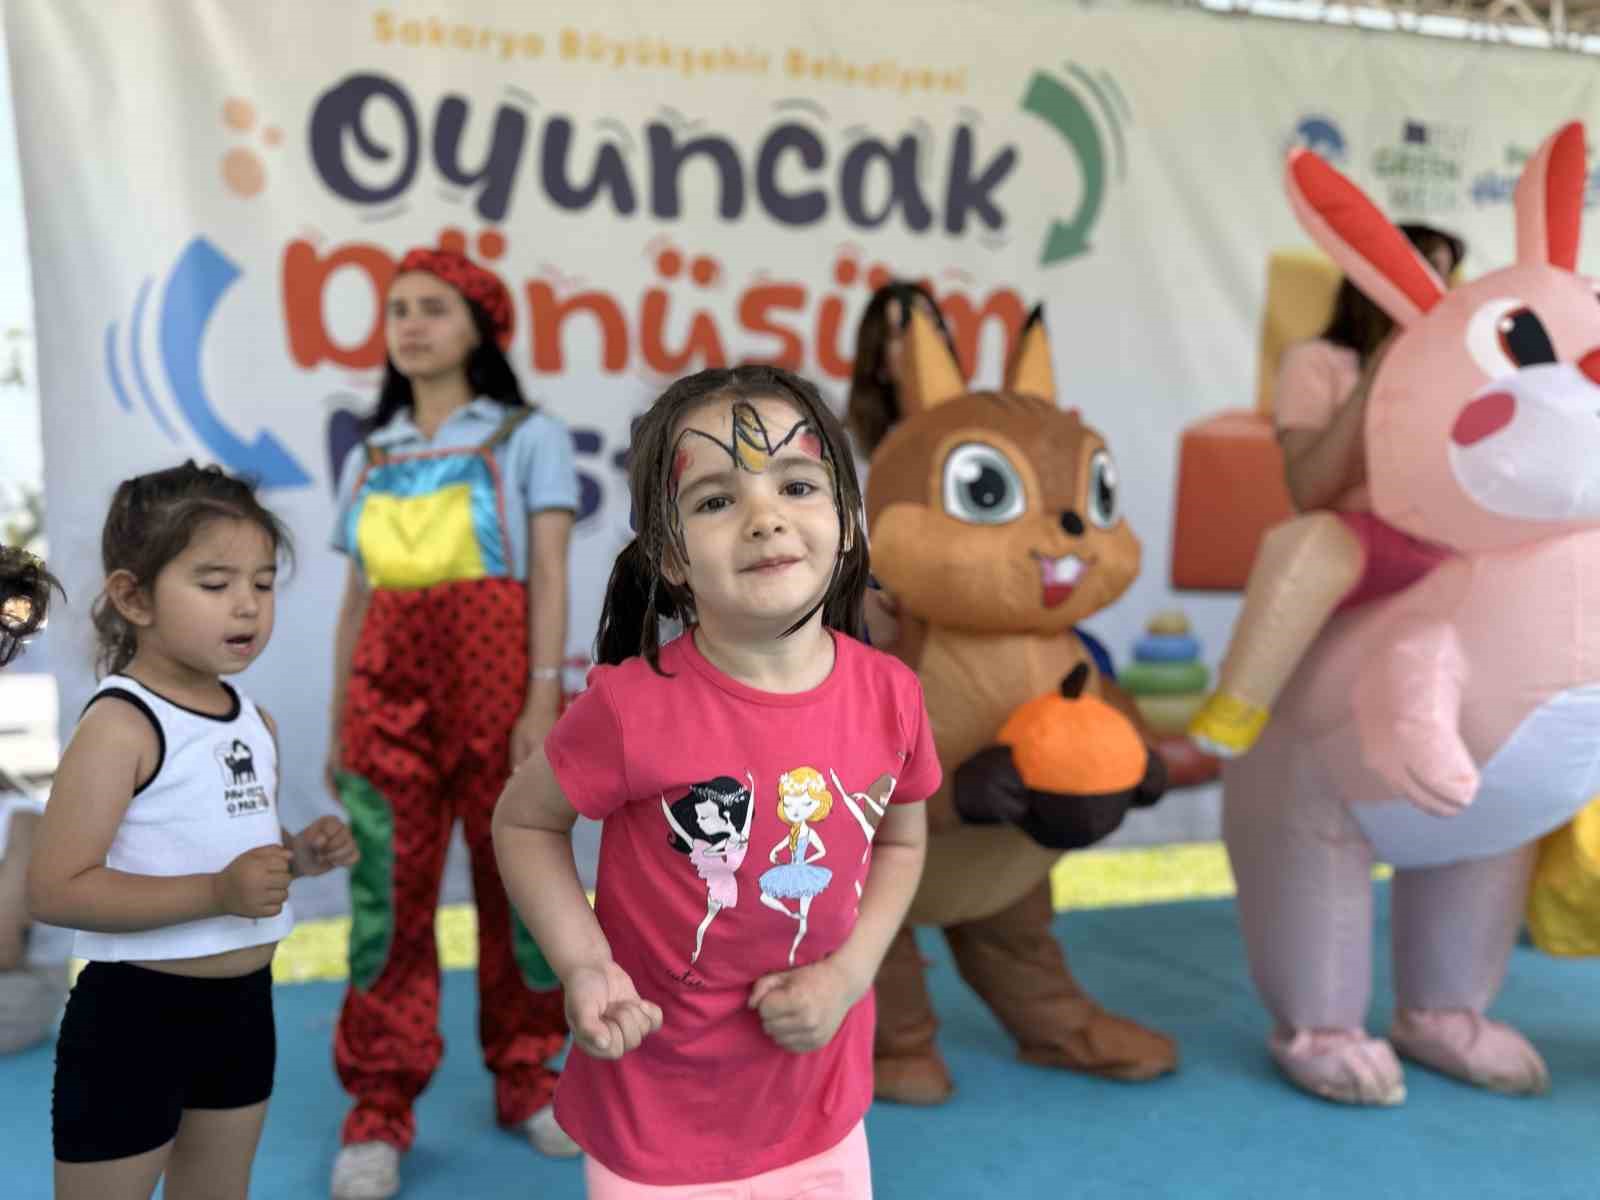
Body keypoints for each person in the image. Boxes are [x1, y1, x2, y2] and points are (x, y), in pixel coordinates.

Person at [492, 365, 937, 1197]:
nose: (765, 518)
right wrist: (585, 965)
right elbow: (524, 824)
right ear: (670, 557)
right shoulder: (630, 706)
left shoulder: (894, 696)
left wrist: (848, 978)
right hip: (655, 1112)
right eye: (716, 500)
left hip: (819, 1105)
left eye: (797, 484)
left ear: (846, 520)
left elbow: (902, 841)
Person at [26, 461, 359, 1200]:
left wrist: (298, 856)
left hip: (243, 1010)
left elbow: (236, 852)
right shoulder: (121, 724)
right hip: (134, 1021)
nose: (246, 607)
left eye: (263, 584)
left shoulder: (253, 719)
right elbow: (54, 888)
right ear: (133, 597)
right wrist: (217, 891)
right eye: (215, 585)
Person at [326, 246, 581, 1198]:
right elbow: (356, 597)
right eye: (397, 309)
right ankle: (378, 1108)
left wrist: (542, 695)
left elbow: (549, 573)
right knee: (387, 904)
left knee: (518, 889)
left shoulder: (527, 434)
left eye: (432, 307)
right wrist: (338, 718)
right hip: (385, 700)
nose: (410, 325)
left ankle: (532, 1078)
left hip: (499, 688)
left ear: (482, 326)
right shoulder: (373, 451)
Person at [1189, 223, 1467, 757]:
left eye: (1444, 272)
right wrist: (1382, 369)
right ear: (1373, 278)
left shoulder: (1460, 368)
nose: (1437, 285)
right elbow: (1310, 489)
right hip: (1365, 547)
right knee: (1311, 541)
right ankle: (1238, 701)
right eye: (1424, 267)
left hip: (1453, 553)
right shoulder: (1317, 363)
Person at [844, 280, 959, 651]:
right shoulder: (849, 447)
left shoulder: (977, 429)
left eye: (931, 325)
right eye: (900, 333)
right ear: (878, 362)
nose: (920, 341)